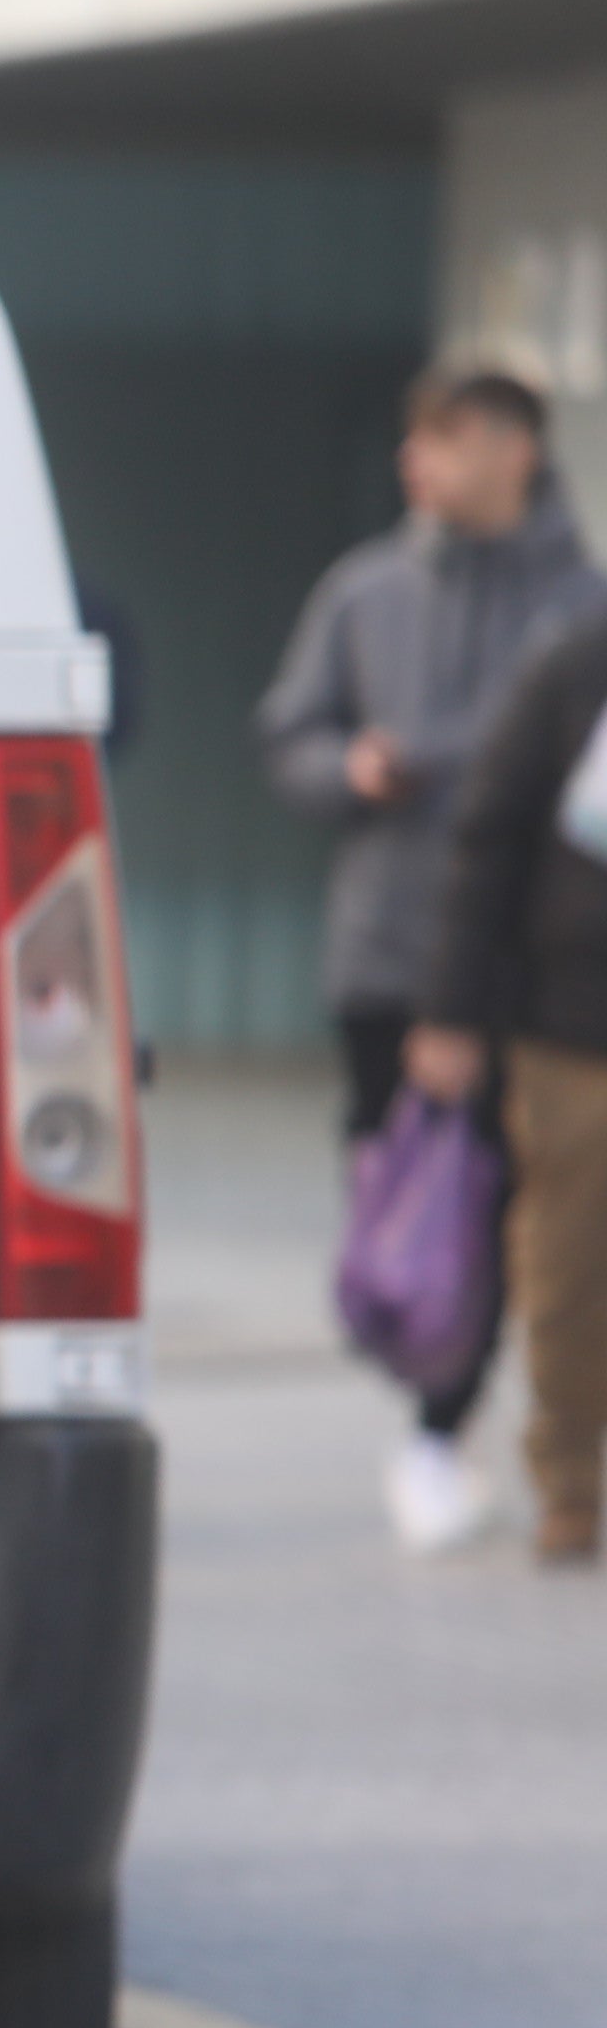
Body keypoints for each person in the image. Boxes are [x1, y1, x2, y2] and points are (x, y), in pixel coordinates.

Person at [262, 363, 607, 1550]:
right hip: (390, 947)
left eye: (448, 439)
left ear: (518, 447)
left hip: (538, 977)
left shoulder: (580, 609)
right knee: (417, 1194)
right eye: (415, 442)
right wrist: (344, 769)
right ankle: (438, 1415)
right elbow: (289, 736)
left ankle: (465, 1431)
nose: (422, 463)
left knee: (525, 1212)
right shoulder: (364, 592)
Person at [409, 588, 607, 1560]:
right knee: (570, 1266)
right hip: (574, 1026)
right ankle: (570, 1479)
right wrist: (451, 1007)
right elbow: (485, 837)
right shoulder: (574, 662)